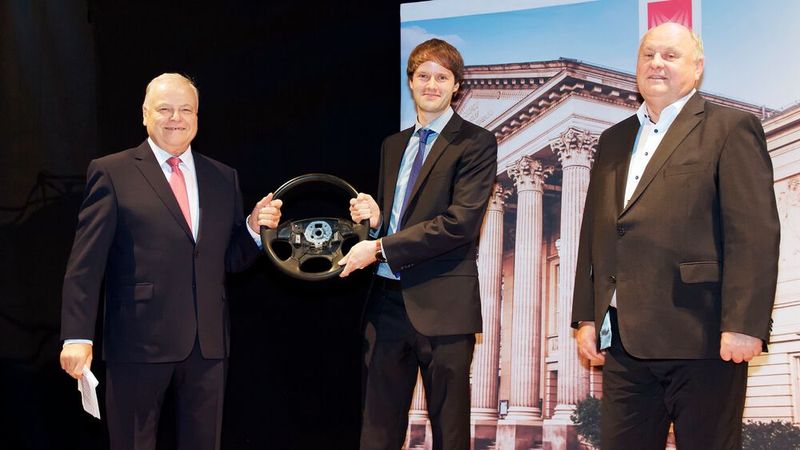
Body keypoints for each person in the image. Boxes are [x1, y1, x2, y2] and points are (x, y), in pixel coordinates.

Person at [571, 22, 780, 449]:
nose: (657, 63)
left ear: (697, 67)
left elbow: (754, 233)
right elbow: (596, 232)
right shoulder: (612, 140)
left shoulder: (730, 127)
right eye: (648, 55)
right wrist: (587, 316)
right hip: (625, 342)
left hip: (703, 338)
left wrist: (744, 323)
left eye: (670, 55)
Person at [59, 73, 282, 450]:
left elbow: (228, 260)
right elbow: (86, 263)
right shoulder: (112, 172)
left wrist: (252, 229)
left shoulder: (222, 177)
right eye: (164, 109)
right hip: (138, 341)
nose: (175, 118)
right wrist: (78, 336)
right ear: (145, 115)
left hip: (208, 344)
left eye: (185, 110)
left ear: (197, 117)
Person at [338, 39, 497, 449]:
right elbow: (399, 220)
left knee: (450, 435)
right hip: (386, 305)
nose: (431, 85)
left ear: (456, 86)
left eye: (442, 77)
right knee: (377, 433)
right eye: (423, 75)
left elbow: (460, 224)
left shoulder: (476, 142)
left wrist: (378, 248)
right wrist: (377, 223)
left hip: (445, 308)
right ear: (410, 82)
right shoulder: (393, 145)